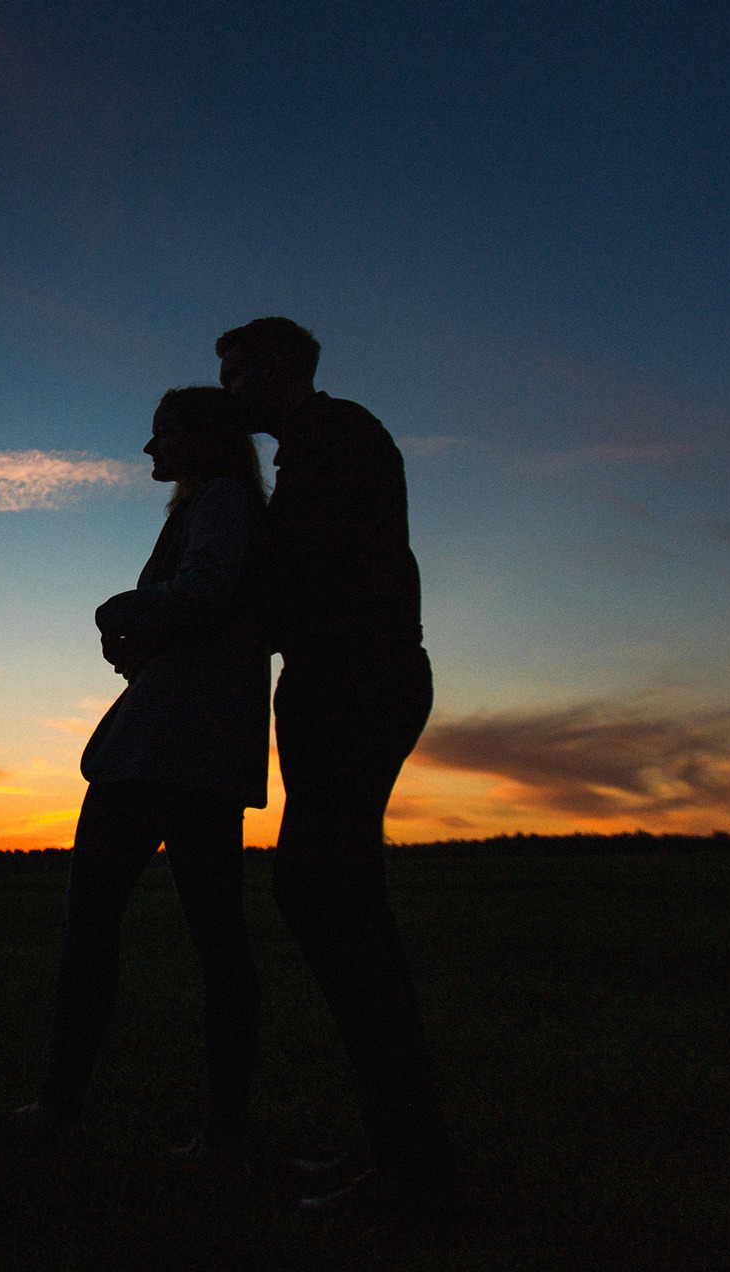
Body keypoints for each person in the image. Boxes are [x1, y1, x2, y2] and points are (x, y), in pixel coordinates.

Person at [0, 386, 271, 1169]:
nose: (151, 451)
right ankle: (218, 1135)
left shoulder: (219, 502)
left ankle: (60, 1111)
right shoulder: (217, 504)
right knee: (212, 943)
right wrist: (140, 642)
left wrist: (119, 609)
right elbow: (204, 620)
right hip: (197, 750)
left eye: (163, 436)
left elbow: (202, 594)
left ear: (201, 441)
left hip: (163, 752)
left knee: (98, 929)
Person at [216, 316, 455, 1214]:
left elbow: (302, 575)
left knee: (328, 900)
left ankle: (412, 1172)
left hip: (357, 681)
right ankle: (397, 1150)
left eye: (239, 376)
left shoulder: (336, 438)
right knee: (332, 901)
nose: (231, 395)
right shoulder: (322, 444)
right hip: (348, 680)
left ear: (278, 369)